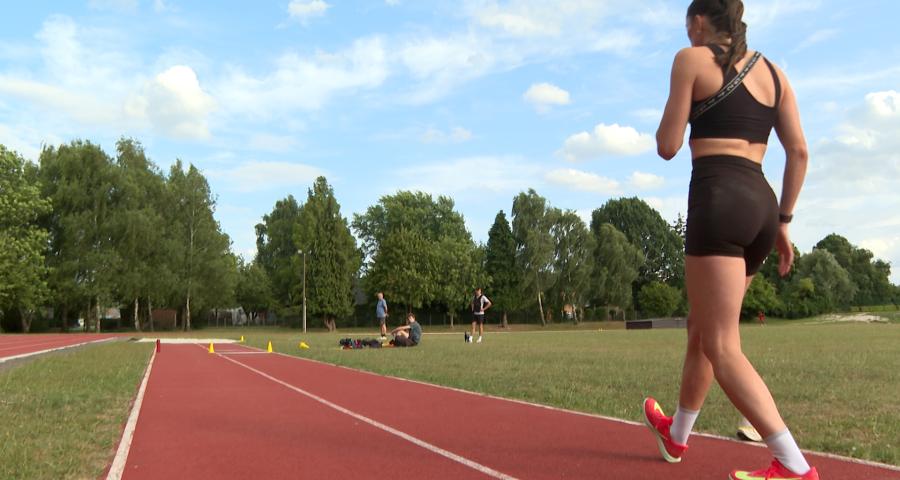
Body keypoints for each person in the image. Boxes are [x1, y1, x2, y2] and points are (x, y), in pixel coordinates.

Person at [643, 1, 816, 479]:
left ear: (698, 22)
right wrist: (783, 223)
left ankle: (794, 466)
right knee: (702, 328)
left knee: (721, 343)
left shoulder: (690, 58)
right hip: (761, 207)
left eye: (689, 26)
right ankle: (675, 435)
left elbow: (667, 145)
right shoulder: (775, 74)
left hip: (718, 199)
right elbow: (799, 151)